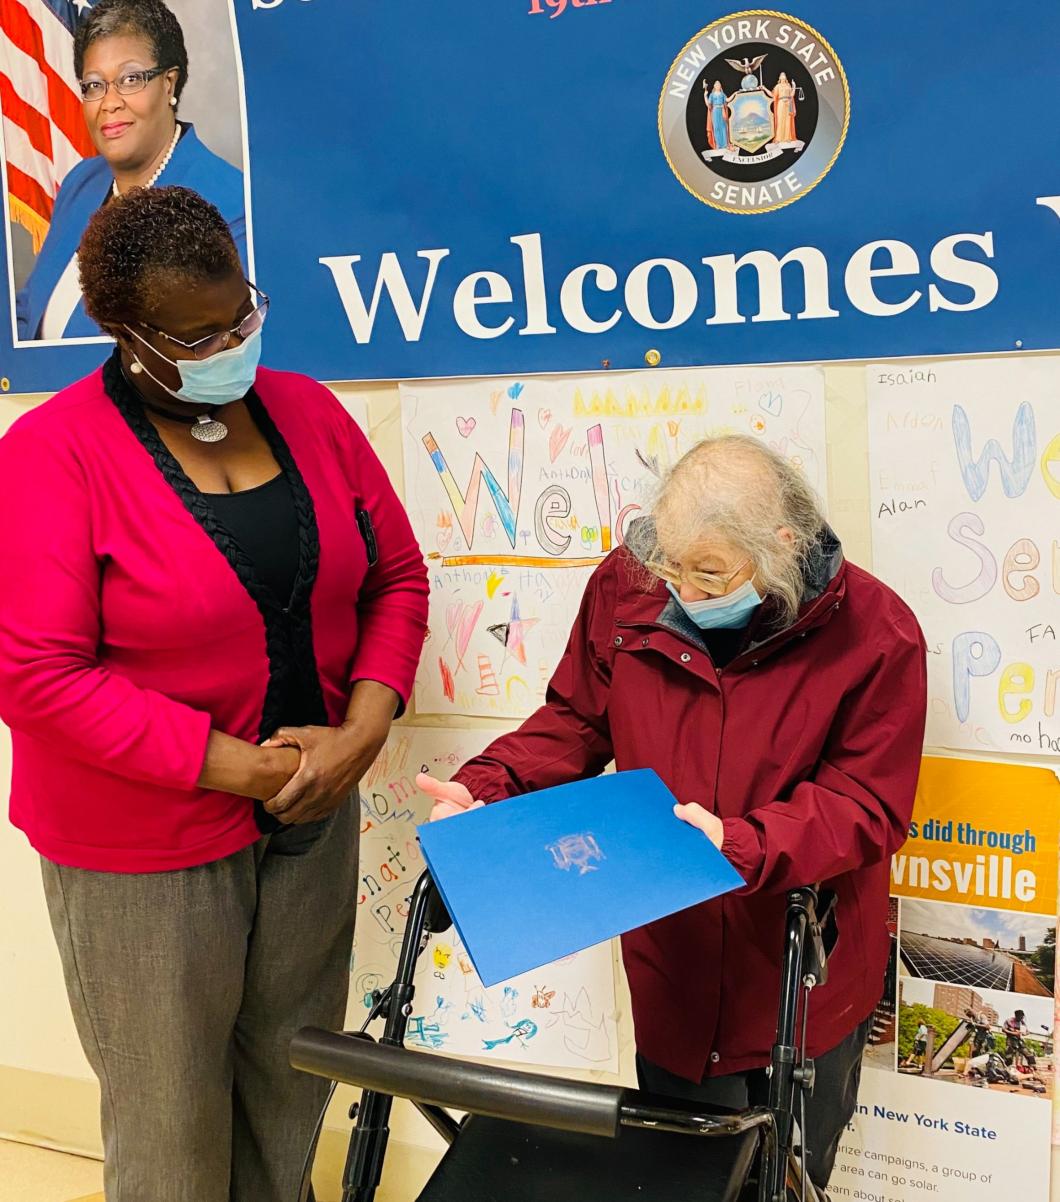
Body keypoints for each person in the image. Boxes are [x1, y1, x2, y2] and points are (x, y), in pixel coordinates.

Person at [0, 186, 429, 1201]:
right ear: (127, 334)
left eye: (241, 314)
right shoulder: (50, 457)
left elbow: (396, 575)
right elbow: (36, 673)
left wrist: (360, 729)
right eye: (198, 335)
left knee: (290, 1090)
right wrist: (245, 765)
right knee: (170, 1128)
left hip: (311, 818)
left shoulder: (310, 413)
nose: (231, 344)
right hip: (143, 842)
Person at [419, 435, 927, 1193]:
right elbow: (575, 720)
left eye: (710, 572)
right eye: (671, 564)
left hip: (799, 983)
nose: (684, 588)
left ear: (782, 546)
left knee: (789, 1180)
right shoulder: (627, 591)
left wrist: (744, 845)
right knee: (675, 1180)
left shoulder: (876, 633)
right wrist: (489, 784)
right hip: (675, 974)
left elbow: (865, 804)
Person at [16, 0, 246, 341]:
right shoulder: (81, 183)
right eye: (94, 85)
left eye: (130, 79)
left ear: (169, 84)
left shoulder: (232, 207)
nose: (109, 102)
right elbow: (27, 312)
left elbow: (204, 350)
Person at [703, 79, 730, 151]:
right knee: (716, 128)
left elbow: (727, 100)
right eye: (716, 84)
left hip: (722, 111)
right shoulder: (712, 95)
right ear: (714, 86)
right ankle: (718, 144)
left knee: (723, 127)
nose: (718, 85)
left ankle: (725, 144)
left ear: (720, 86)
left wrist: (735, 94)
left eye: (719, 84)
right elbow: (708, 104)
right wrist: (705, 96)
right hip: (715, 111)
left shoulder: (722, 94)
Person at [771, 71, 798, 143]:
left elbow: (792, 95)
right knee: (780, 120)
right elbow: (773, 95)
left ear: (785, 77)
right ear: (779, 78)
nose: (783, 76)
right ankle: (778, 138)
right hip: (781, 103)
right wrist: (764, 89)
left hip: (789, 103)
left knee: (788, 120)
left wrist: (794, 86)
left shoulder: (788, 85)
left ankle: (787, 138)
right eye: (781, 75)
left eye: (784, 75)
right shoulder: (777, 86)